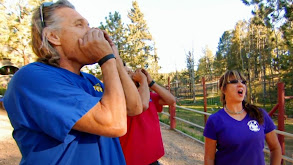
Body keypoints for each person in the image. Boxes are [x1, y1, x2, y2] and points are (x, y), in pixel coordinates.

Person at [3, 0, 143, 164]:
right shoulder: (33, 77)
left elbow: (134, 107)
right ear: (54, 37)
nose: (91, 31)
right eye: (79, 25)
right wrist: (106, 59)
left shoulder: (89, 80)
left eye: (89, 25)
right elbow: (114, 123)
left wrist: (115, 57)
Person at [203, 70, 282, 165]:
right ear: (223, 89)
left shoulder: (259, 114)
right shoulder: (215, 121)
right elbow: (209, 159)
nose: (240, 85)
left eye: (243, 82)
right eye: (234, 82)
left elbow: (275, 148)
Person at [119, 66, 176, 165]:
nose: (132, 74)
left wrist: (151, 82)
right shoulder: (121, 96)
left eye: (131, 71)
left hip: (151, 157)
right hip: (132, 158)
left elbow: (171, 100)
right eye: (127, 73)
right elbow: (142, 105)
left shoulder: (147, 94)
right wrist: (144, 82)